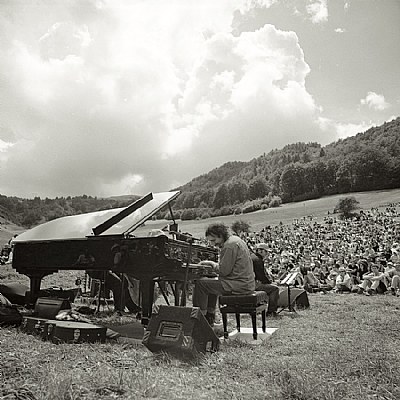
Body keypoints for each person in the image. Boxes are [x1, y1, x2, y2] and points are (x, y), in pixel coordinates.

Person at [192, 223, 255, 326]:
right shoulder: (235, 240)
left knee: (201, 284)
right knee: (210, 283)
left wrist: (211, 264)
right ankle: (210, 316)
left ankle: (200, 320)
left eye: (213, 240)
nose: (212, 244)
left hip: (239, 285)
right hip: (245, 283)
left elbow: (224, 271)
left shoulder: (229, 246)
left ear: (220, 235)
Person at [253, 243, 280, 317]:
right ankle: (271, 312)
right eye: (266, 251)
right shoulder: (258, 260)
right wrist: (270, 283)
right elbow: (261, 276)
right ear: (261, 251)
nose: (267, 254)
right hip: (252, 284)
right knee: (274, 289)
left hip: (249, 282)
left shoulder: (253, 257)